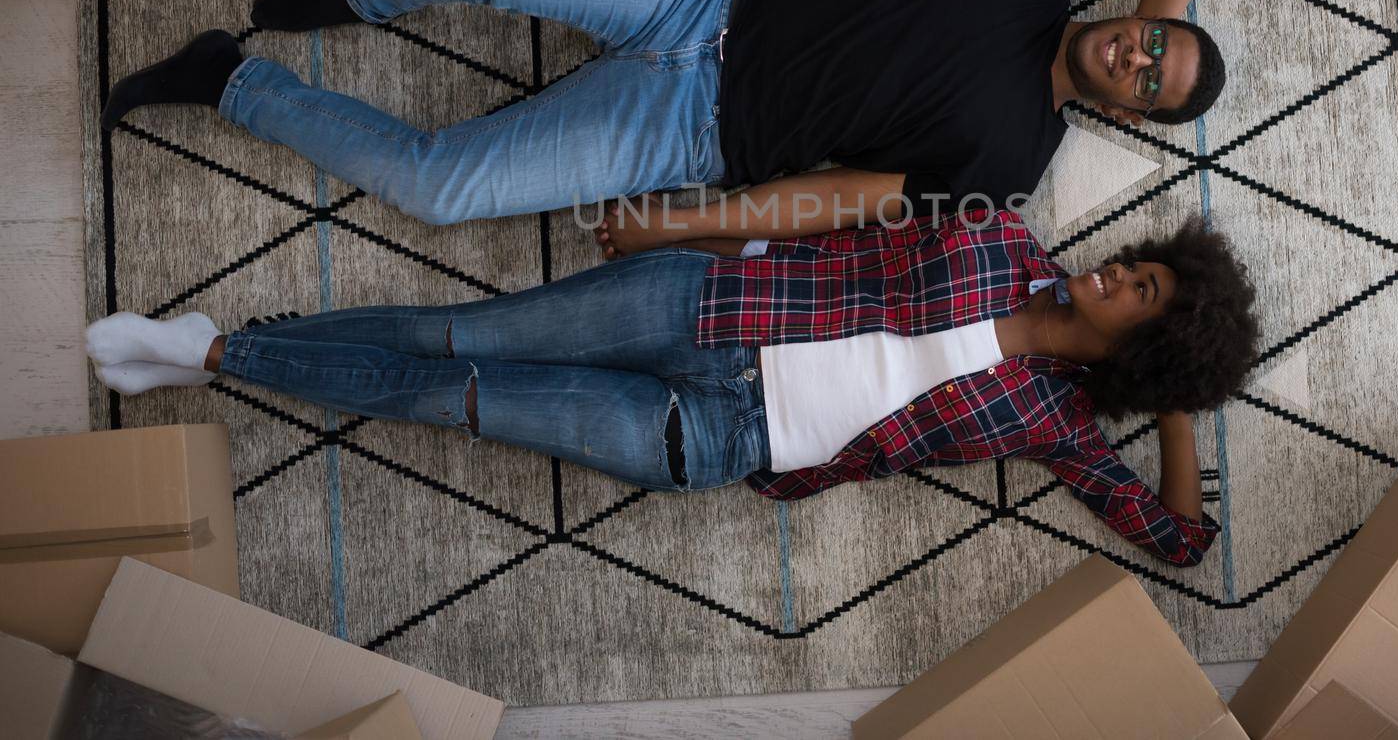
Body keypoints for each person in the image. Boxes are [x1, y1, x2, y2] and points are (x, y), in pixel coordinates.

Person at [85, 209, 1259, 567]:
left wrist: (1169, 405)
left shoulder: (1057, 425)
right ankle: (216, 347)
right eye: (1141, 267)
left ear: (1142, 348)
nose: (1118, 275)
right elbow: (851, 209)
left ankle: (213, 357)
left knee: (462, 399)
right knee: (457, 333)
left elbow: (1178, 540)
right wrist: (710, 223)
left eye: (1142, 299)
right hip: (702, 307)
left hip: (714, 435)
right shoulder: (1000, 235)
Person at [98, 0, 1227, 238]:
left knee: (441, 191)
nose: (1134, 53)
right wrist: (1167, 26)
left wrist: (682, 219)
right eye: (1153, 45)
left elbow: (836, 199)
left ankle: (228, 80)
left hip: (688, 131)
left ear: (1125, 117)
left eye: (1144, 81)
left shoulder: (1013, 163)